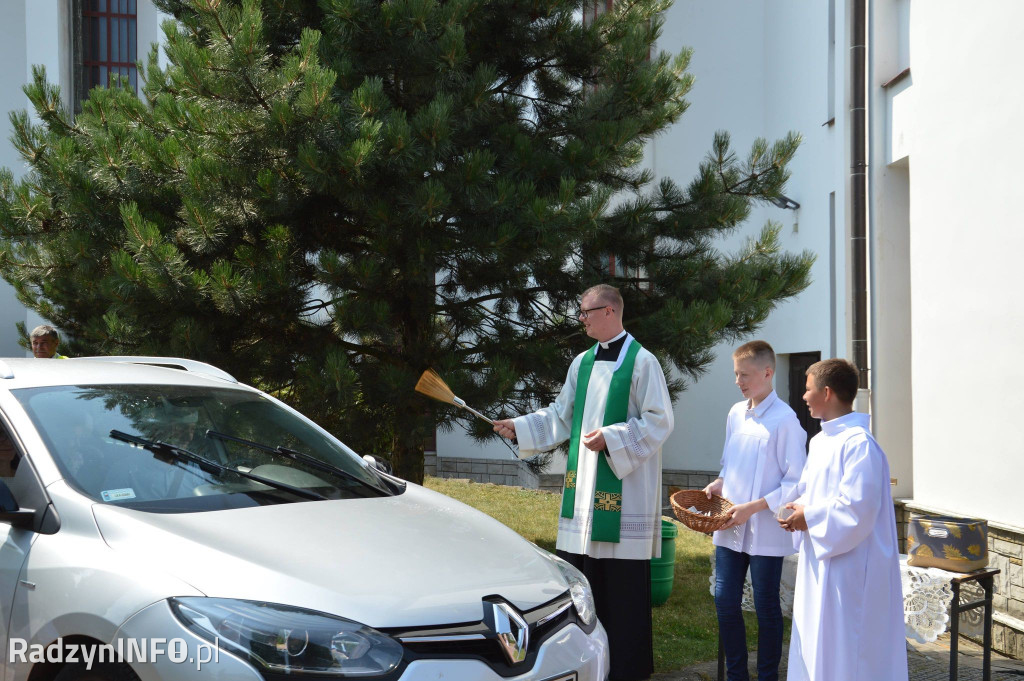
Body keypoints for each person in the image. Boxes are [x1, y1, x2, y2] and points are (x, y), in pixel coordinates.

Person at [493, 284, 673, 681]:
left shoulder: (643, 363)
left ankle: (626, 671)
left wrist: (612, 437)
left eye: (586, 311)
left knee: (622, 596)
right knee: (583, 590)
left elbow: (660, 421)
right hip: (584, 497)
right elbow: (561, 415)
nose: (581, 318)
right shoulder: (582, 363)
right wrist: (519, 428)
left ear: (610, 311)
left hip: (624, 499)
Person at [779, 358, 908, 681]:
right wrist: (798, 508)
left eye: (808, 390)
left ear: (826, 392)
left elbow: (857, 509)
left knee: (848, 652)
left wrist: (809, 515)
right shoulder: (821, 441)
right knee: (815, 641)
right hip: (820, 559)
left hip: (850, 568)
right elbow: (815, 491)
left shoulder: (860, 446)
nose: (804, 397)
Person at [703, 340, 806, 681]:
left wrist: (755, 507)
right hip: (731, 525)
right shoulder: (735, 413)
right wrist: (719, 483)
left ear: (767, 372)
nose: (739, 381)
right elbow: (728, 463)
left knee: (765, 607)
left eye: (745, 374)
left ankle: (766, 676)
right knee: (724, 601)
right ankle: (736, 675)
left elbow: (796, 483)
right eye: (736, 374)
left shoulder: (786, 421)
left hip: (764, 530)